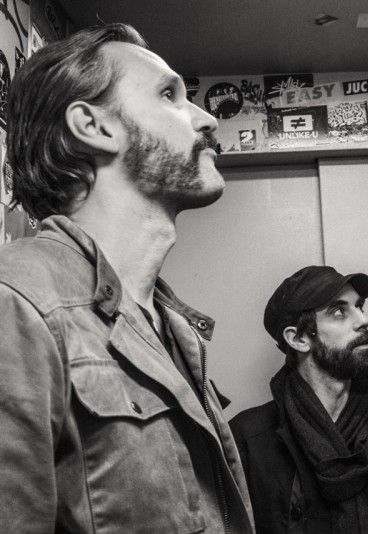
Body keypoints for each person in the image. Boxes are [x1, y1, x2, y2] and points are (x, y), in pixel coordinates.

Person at [0, 24, 253, 532]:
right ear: (93, 127)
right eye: (168, 95)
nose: (206, 118)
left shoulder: (172, 327)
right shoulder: (18, 303)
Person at [230, 265, 368, 534]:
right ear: (299, 339)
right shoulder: (247, 443)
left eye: (359, 306)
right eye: (339, 311)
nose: (363, 320)